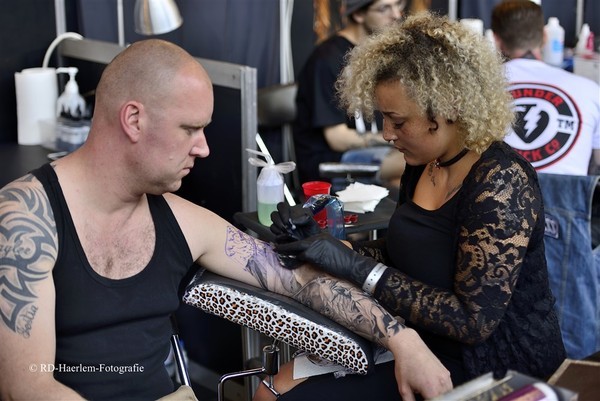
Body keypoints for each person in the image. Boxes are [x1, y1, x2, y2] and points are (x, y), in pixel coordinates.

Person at [0, 39, 452, 401]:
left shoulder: (181, 220)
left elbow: (299, 279)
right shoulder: (26, 219)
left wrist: (404, 341)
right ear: (133, 119)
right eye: (189, 129)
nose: (203, 148)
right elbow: (27, 387)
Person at [261, 12, 567, 400]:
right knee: (275, 387)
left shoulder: (501, 181)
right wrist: (326, 245)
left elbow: (472, 321)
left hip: (488, 363)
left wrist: (353, 264)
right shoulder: (425, 161)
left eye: (398, 121)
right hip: (418, 338)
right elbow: (408, 254)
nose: (387, 134)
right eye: (383, 119)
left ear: (449, 107)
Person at [293, 0, 406, 189]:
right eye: (384, 8)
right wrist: (395, 139)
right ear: (358, 14)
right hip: (331, 163)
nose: (396, 15)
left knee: (418, 176)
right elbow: (337, 139)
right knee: (418, 159)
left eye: (398, 5)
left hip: (374, 152)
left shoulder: (381, 55)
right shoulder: (326, 60)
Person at [491, 0, 600, 176]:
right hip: (567, 194)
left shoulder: (479, 88)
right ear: (545, 37)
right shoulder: (590, 91)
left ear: (496, 39)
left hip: (496, 191)